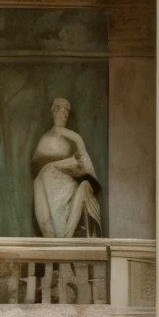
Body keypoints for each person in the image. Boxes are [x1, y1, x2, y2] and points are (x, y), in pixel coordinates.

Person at [31, 97, 102, 238]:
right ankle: (52, 236)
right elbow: (37, 157)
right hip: (48, 181)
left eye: (66, 113)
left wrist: (70, 164)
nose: (63, 116)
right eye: (61, 112)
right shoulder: (46, 137)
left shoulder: (72, 137)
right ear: (54, 112)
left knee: (48, 174)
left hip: (67, 183)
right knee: (40, 180)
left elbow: (83, 161)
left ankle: (62, 235)